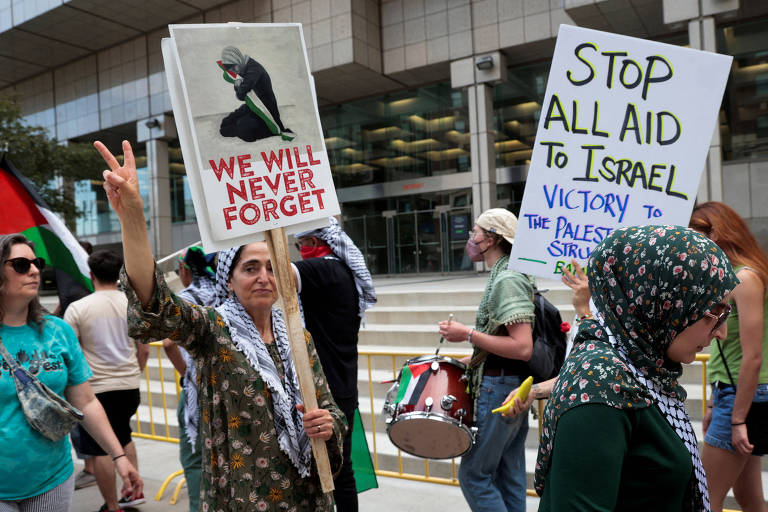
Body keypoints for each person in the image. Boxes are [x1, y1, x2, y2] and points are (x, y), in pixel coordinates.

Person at [94, 139, 346, 511]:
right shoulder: (212, 329)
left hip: (308, 495)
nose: (264, 277)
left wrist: (326, 424)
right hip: (242, 499)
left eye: (273, 268)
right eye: (250, 268)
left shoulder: (297, 336)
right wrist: (133, 215)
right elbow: (156, 307)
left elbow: (329, 408)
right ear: (228, 280)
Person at [534, 225, 737, 512]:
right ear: (663, 301)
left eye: (727, 312)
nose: (722, 332)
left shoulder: (646, 368)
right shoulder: (599, 385)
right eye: (714, 312)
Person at [0, 233, 142, 512]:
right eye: (20, 264)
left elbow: (86, 401)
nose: (34, 271)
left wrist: (119, 456)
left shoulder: (58, 331)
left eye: (36, 263)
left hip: (51, 480)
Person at [437, 208, 534, 512]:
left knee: (474, 474)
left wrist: (467, 334)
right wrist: (472, 357)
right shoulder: (506, 274)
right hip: (508, 384)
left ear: (491, 239)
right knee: (509, 475)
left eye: (475, 232)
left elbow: (521, 347)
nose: (471, 238)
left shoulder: (506, 279)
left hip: (501, 388)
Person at [292, 218, 377, 511]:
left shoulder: (324, 270)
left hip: (326, 392)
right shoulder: (341, 271)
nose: (299, 251)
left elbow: (275, 273)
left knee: (334, 472)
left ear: (315, 243)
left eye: (300, 244)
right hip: (341, 386)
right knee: (341, 469)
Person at [690, 201, 768, 512]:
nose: (693, 246)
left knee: (705, 496)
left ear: (719, 234)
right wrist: (713, 402)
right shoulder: (730, 277)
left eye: (697, 237)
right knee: (750, 498)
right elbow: (727, 349)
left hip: (744, 398)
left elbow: (752, 357)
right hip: (734, 394)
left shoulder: (745, 278)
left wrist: (737, 418)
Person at [64, 249, 149, 512]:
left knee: (99, 447)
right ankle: (133, 494)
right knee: (124, 436)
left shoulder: (78, 308)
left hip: (95, 389)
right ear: (119, 274)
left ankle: (112, 505)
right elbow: (143, 348)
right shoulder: (131, 305)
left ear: (91, 274)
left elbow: (72, 352)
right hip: (128, 385)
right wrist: (135, 372)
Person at [162, 245, 217, 512]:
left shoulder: (183, 299)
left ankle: (199, 506)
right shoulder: (225, 293)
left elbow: (169, 345)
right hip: (225, 386)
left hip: (197, 389)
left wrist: (187, 374)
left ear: (184, 270)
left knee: (195, 457)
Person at [218, 46, 294, 142]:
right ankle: (239, 126)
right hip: (253, 105)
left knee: (243, 128)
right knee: (226, 123)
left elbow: (241, 95)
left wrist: (238, 85)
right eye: (230, 69)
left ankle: (269, 131)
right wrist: (238, 83)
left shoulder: (253, 70)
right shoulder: (243, 65)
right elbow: (241, 88)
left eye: (234, 66)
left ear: (238, 59)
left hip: (266, 111)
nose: (233, 70)